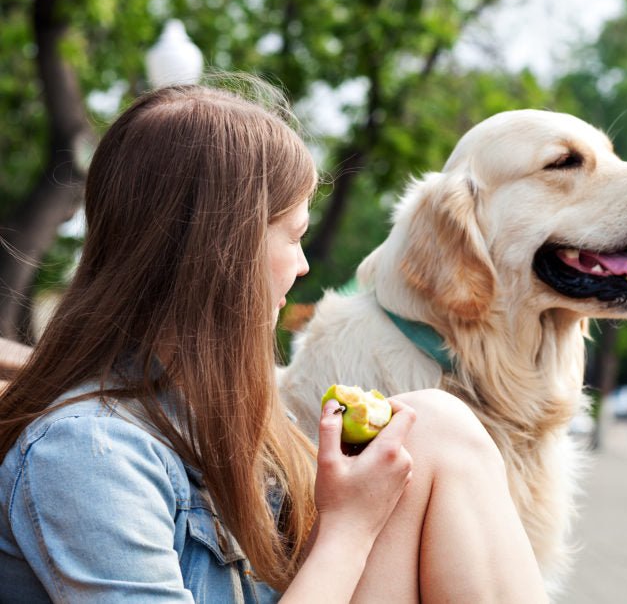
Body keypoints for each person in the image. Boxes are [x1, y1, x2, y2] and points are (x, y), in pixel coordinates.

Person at [0, 81, 547, 603]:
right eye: (295, 235)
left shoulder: (212, 416)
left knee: (434, 427)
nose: (305, 265)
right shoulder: (87, 455)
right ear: (226, 250)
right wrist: (349, 528)